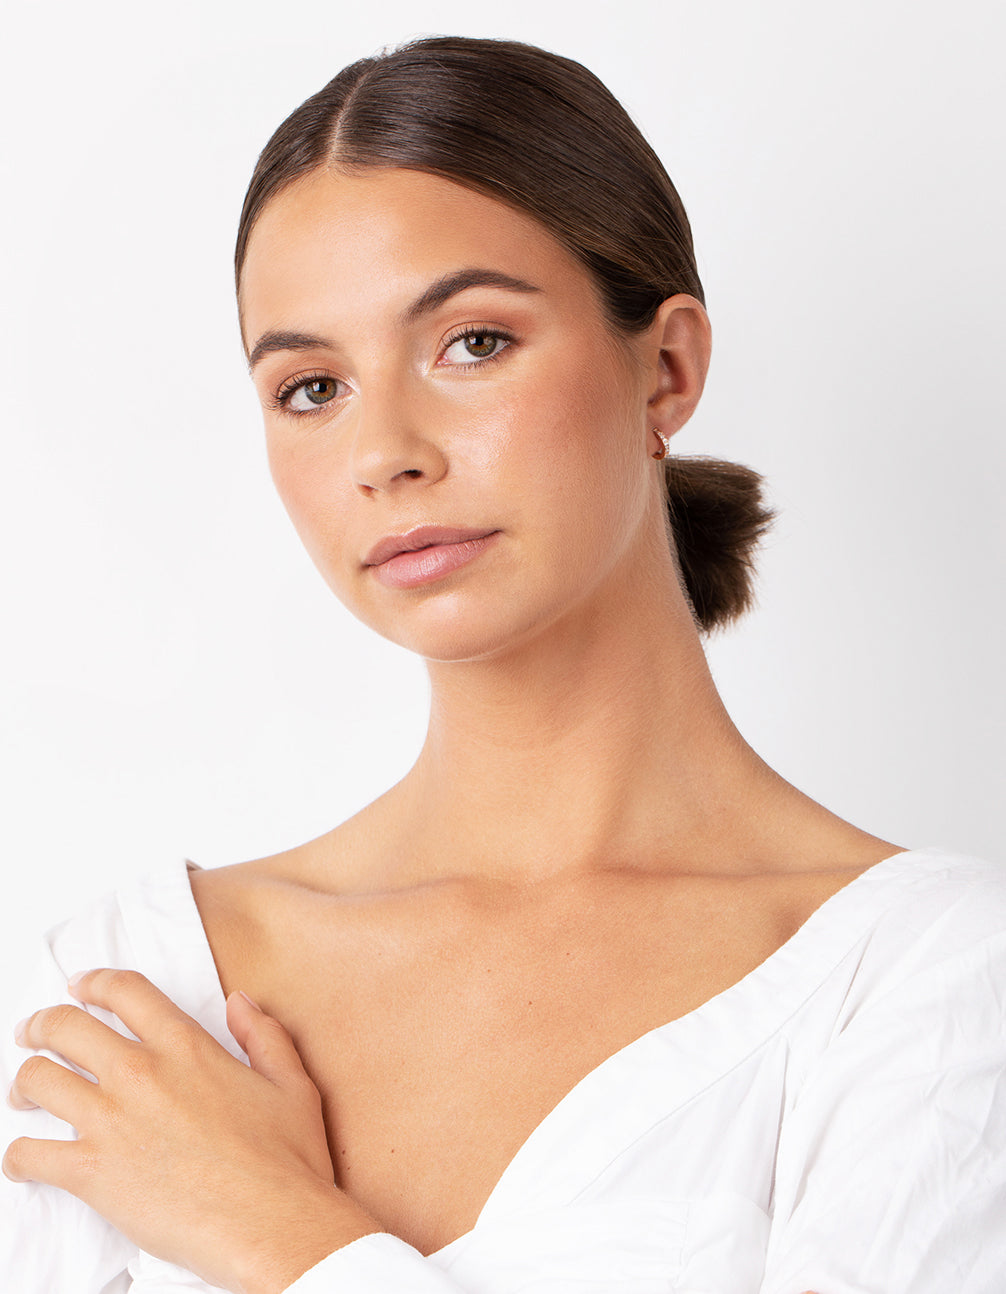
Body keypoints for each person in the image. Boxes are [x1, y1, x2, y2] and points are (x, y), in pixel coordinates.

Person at [2, 33, 1004, 1294]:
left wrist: (277, 1235)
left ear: (667, 368)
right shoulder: (134, 994)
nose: (386, 451)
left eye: (471, 342)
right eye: (310, 387)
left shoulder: (922, 978)